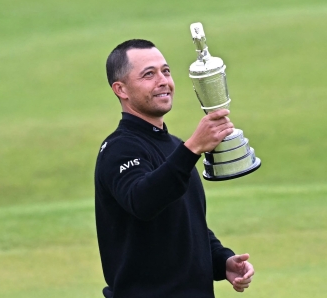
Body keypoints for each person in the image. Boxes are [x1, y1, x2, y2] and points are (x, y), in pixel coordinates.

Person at [94, 39, 254, 297]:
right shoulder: (118, 149)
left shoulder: (174, 147)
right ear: (121, 89)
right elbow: (143, 201)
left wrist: (222, 261)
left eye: (165, 71)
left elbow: (186, 223)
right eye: (149, 74)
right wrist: (191, 149)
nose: (163, 81)